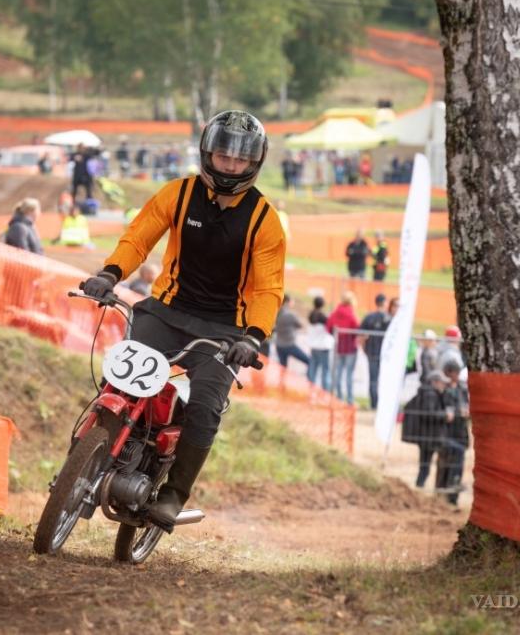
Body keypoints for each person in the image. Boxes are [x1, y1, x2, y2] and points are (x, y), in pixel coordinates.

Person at [80, 109, 283, 533]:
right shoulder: (178, 193)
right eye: (223, 156)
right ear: (207, 153)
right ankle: (90, 453)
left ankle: (174, 494)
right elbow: (138, 239)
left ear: (255, 162)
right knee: (119, 380)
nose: (230, 166)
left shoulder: (265, 221)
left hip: (225, 332)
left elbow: (268, 289)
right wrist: (110, 274)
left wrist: (253, 338)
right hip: (166, 312)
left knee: (206, 408)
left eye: (240, 160)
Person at [404, 370, 450, 489]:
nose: (444, 385)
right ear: (435, 382)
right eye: (442, 382)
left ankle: (420, 487)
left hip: (428, 436)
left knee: (425, 466)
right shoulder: (430, 394)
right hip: (429, 436)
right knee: (425, 466)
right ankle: (419, 487)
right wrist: (445, 415)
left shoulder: (428, 393)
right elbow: (430, 413)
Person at [438, 360, 470, 505]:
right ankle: (442, 493)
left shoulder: (462, 389)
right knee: (445, 464)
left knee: (458, 465)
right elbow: (442, 409)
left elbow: (466, 406)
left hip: (460, 432)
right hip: (447, 433)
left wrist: (466, 412)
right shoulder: (443, 389)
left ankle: (452, 497)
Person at [360, 294, 396, 410]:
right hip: (384, 354)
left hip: (372, 352)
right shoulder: (389, 318)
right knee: (383, 380)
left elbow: (362, 336)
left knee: (373, 380)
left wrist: (365, 349)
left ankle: (374, 404)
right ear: (384, 303)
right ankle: (382, 405)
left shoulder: (369, 317)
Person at [326, 291, 360, 404]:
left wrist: (335, 335)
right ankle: (350, 399)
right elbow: (356, 328)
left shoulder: (335, 313)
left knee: (338, 373)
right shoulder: (351, 314)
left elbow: (328, 326)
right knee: (349, 374)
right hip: (350, 347)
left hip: (339, 346)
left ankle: (339, 396)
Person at [273, 295, 310, 369]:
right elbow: (301, 325)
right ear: (288, 302)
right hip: (289, 344)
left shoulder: (277, 312)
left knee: (283, 368)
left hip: (279, 345)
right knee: (309, 361)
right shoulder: (291, 314)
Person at [305, 296, 334, 391]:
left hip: (314, 346)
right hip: (323, 346)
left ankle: (310, 390)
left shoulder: (311, 315)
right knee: (325, 370)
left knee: (313, 369)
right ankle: (325, 391)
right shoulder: (323, 317)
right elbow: (330, 328)